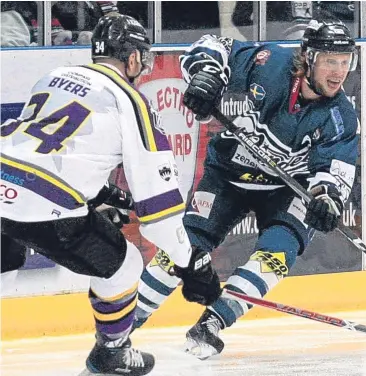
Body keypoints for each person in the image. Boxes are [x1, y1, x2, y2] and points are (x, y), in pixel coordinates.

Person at [0, 13, 220, 375]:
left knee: (5, 269)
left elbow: (39, 150)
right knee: (125, 265)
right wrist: (191, 262)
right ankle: (113, 352)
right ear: (133, 58)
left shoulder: (54, 76)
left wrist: (101, 193)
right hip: (43, 206)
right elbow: (160, 220)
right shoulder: (132, 102)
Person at [133, 19, 359, 359]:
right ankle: (122, 326)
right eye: (330, 60)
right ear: (309, 58)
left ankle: (212, 322)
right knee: (184, 249)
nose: (338, 72)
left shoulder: (341, 115)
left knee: (277, 254)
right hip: (229, 175)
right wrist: (206, 75)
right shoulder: (272, 63)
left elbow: (335, 168)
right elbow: (214, 45)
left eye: (345, 62)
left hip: (286, 190)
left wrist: (327, 198)